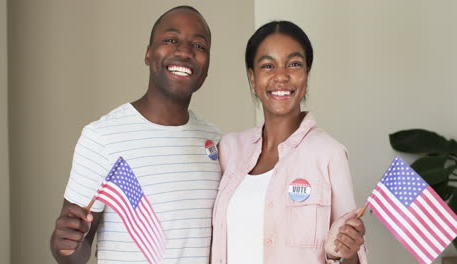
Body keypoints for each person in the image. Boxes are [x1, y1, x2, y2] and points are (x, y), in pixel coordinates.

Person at [50, 6, 221, 264]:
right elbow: (75, 249)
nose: (185, 52)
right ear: (148, 54)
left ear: (206, 68)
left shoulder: (216, 141)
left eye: (198, 45)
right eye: (171, 40)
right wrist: (64, 245)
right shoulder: (101, 137)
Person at [211, 21, 367, 264]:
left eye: (294, 64)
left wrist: (343, 252)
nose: (281, 76)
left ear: (306, 76)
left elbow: (349, 257)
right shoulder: (229, 149)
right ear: (253, 79)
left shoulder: (329, 154)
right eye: (267, 66)